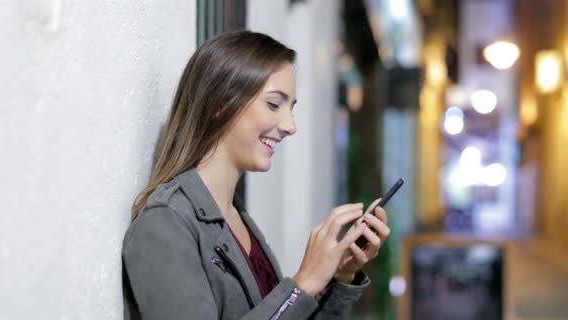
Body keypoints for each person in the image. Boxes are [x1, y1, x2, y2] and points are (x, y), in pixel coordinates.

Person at [121, 30, 391, 320]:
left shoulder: (237, 218)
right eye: (274, 104)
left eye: (291, 108)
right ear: (220, 105)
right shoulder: (165, 222)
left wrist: (340, 275)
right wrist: (303, 284)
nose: (290, 125)